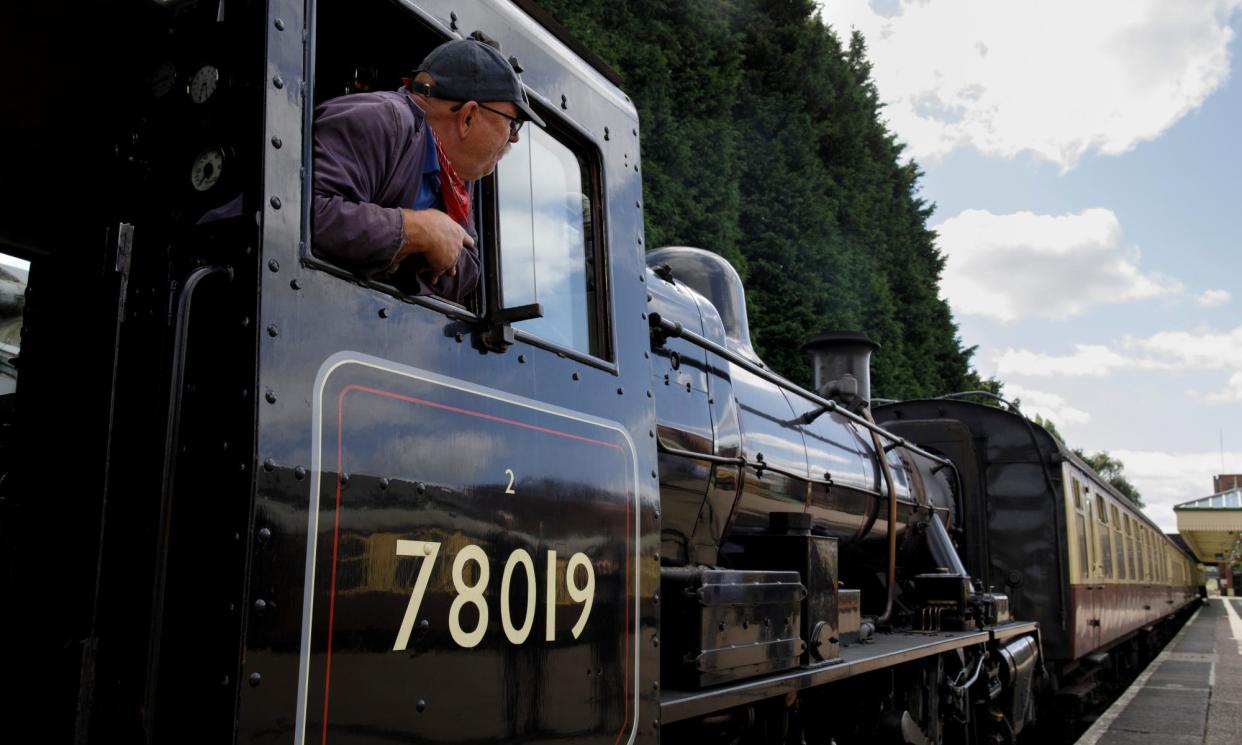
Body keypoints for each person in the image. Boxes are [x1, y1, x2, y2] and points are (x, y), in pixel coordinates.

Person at [312, 38, 544, 303]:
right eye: (513, 123)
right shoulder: (379, 120)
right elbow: (307, 214)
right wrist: (417, 230)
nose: (514, 138)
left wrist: (419, 243)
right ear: (468, 116)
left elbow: (467, 272)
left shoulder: (457, 173)